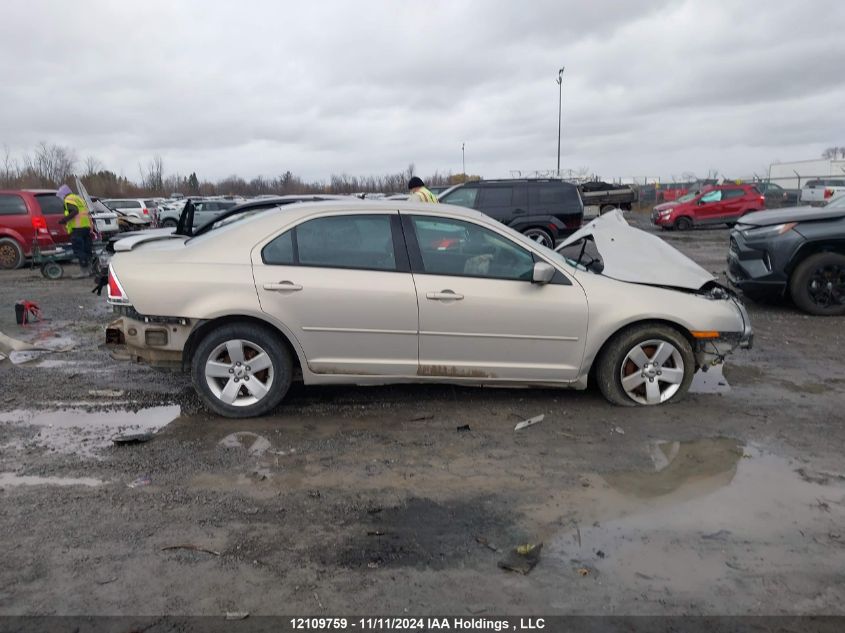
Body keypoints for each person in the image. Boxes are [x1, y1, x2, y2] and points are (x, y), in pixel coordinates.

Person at [56, 184, 94, 277]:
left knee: (78, 250)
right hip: (86, 227)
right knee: (86, 249)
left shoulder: (69, 199)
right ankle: (89, 270)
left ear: (63, 194)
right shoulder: (78, 198)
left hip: (78, 228)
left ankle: (84, 271)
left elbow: (74, 211)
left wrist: (64, 220)